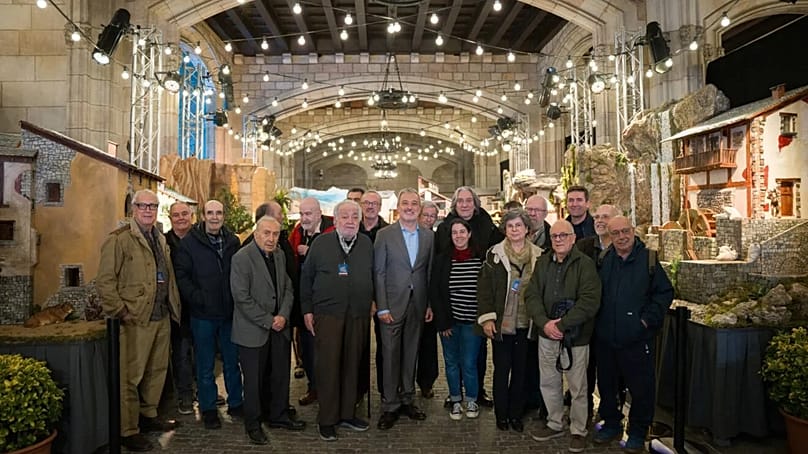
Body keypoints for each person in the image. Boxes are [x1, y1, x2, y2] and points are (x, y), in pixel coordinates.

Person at [97, 189, 180, 452]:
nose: (148, 210)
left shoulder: (160, 237)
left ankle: (149, 416)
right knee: (130, 377)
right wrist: (121, 311)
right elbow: (105, 281)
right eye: (143, 206)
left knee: (156, 372)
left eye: (153, 206)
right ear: (133, 209)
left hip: (161, 316)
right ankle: (128, 430)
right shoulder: (119, 240)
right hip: (134, 319)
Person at [594, 216, 673, 453]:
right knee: (607, 386)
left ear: (633, 231)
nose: (621, 237)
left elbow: (664, 293)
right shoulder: (605, 259)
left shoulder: (648, 260)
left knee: (641, 389)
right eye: (615, 233)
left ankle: (638, 432)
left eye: (625, 231)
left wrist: (645, 320)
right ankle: (611, 424)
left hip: (637, 339)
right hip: (607, 339)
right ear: (610, 235)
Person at [301, 200, 374, 441]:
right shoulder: (321, 243)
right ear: (336, 219)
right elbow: (306, 277)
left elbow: (374, 276)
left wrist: (373, 301)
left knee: (353, 365)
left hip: (358, 315)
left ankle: (347, 414)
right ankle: (328, 419)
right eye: (345, 216)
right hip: (327, 314)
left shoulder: (366, 244)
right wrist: (307, 310)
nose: (350, 221)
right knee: (328, 367)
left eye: (355, 216)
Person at [526, 220, 601, 453]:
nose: (558, 239)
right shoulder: (543, 263)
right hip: (547, 334)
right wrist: (545, 323)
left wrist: (563, 324)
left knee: (578, 386)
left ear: (573, 238)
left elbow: (589, 301)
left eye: (563, 235)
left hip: (576, 337)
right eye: (554, 236)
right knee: (548, 381)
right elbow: (531, 295)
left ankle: (578, 429)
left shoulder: (585, 265)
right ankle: (555, 422)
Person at [231, 216, 304, 445]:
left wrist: (282, 315)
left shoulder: (280, 254)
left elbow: (288, 287)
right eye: (266, 233)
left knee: (281, 375)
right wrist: (269, 320)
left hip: (279, 328)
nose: (271, 238)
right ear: (256, 234)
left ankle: (279, 415)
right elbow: (241, 297)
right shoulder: (242, 258)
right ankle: (253, 424)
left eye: (275, 234)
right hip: (253, 330)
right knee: (253, 382)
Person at [175, 200, 243, 430]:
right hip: (202, 315)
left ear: (224, 215)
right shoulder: (189, 244)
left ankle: (236, 403)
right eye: (210, 213)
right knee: (205, 365)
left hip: (228, 314)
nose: (215, 217)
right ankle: (209, 409)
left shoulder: (233, 241)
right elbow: (181, 277)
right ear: (203, 216)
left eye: (219, 212)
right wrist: (198, 298)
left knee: (232, 362)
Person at [435, 186, 504, 408]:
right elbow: (439, 270)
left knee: (476, 355)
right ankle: (455, 393)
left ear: (475, 204)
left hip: (475, 310)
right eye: (460, 201)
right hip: (452, 308)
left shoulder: (487, 225)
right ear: (454, 205)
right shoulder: (444, 229)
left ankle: (477, 391)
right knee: (453, 358)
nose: (464, 204)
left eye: (468, 201)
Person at [477, 209, 542, 433]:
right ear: (505, 229)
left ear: (526, 229)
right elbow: (484, 290)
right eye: (510, 226)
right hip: (502, 323)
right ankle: (501, 414)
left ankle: (516, 414)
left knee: (521, 371)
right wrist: (487, 319)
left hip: (527, 323)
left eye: (518, 226)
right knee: (502, 370)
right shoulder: (493, 255)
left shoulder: (539, 256)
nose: (514, 230)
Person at [374, 188, 434, 430]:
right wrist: (381, 307)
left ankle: (408, 398)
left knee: (411, 353)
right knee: (390, 356)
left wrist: (428, 303)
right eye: (405, 203)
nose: (410, 207)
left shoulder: (429, 236)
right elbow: (378, 273)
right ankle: (390, 405)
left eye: (414, 203)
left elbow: (428, 273)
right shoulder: (384, 235)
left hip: (417, 304)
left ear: (419, 207)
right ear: (398, 207)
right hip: (391, 306)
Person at [429, 217, 484, 420]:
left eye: (462, 232)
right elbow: (435, 291)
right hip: (449, 322)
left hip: (472, 322)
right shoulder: (443, 259)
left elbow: (486, 291)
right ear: (450, 236)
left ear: (469, 234)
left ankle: (471, 399)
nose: (458, 236)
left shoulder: (480, 258)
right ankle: (455, 400)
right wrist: (442, 322)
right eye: (454, 233)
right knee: (451, 362)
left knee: (469, 363)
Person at [575, 204, 624, 421]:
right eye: (596, 216)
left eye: (605, 216)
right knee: (584, 371)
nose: (599, 220)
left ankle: (611, 415)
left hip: (612, 322)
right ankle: (583, 414)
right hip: (587, 322)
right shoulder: (584, 246)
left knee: (611, 373)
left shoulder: (625, 247)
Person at [288, 197, 335, 406]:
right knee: (307, 347)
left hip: (328, 301)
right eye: (301, 214)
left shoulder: (332, 231)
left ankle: (331, 389)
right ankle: (313, 386)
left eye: (308, 214)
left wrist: (312, 252)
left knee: (328, 348)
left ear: (319, 213)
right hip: (304, 299)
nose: (304, 218)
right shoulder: (298, 232)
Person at [164, 201, 195, 415]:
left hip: (200, 306)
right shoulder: (163, 242)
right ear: (170, 218)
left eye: (185, 214)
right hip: (176, 308)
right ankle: (185, 394)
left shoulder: (200, 239)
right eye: (177, 215)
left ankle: (203, 391)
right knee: (181, 353)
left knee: (204, 352)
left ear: (191, 216)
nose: (181, 218)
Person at [358, 189, 389, 400]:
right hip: (358, 296)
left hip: (383, 297)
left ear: (380, 207)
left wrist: (378, 299)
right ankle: (358, 389)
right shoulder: (352, 228)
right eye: (366, 203)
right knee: (358, 346)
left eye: (374, 203)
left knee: (385, 347)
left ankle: (386, 389)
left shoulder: (388, 232)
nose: (370, 207)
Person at [416, 201, 440, 399]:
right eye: (426, 214)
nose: (429, 219)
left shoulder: (435, 238)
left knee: (428, 344)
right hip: (408, 298)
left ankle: (426, 382)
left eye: (433, 215)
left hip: (429, 297)